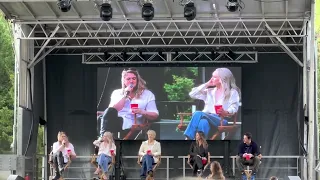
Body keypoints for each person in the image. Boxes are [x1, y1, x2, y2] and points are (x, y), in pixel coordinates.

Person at [99, 68, 159, 139]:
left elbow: (155, 115)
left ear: (137, 80)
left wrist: (142, 111)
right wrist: (125, 95)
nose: (131, 81)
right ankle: (103, 138)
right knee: (107, 114)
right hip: (116, 123)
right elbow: (112, 111)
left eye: (134, 78)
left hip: (134, 124)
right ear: (124, 81)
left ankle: (104, 138)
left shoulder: (147, 94)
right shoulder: (117, 93)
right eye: (128, 79)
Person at [183, 67, 241, 140]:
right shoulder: (210, 91)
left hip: (221, 119)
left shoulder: (232, 92)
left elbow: (234, 107)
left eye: (214, 77)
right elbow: (192, 94)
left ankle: (188, 138)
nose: (211, 79)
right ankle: (201, 143)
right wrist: (206, 84)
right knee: (203, 122)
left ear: (222, 79)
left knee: (197, 113)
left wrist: (226, 112)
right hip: (206, 116)